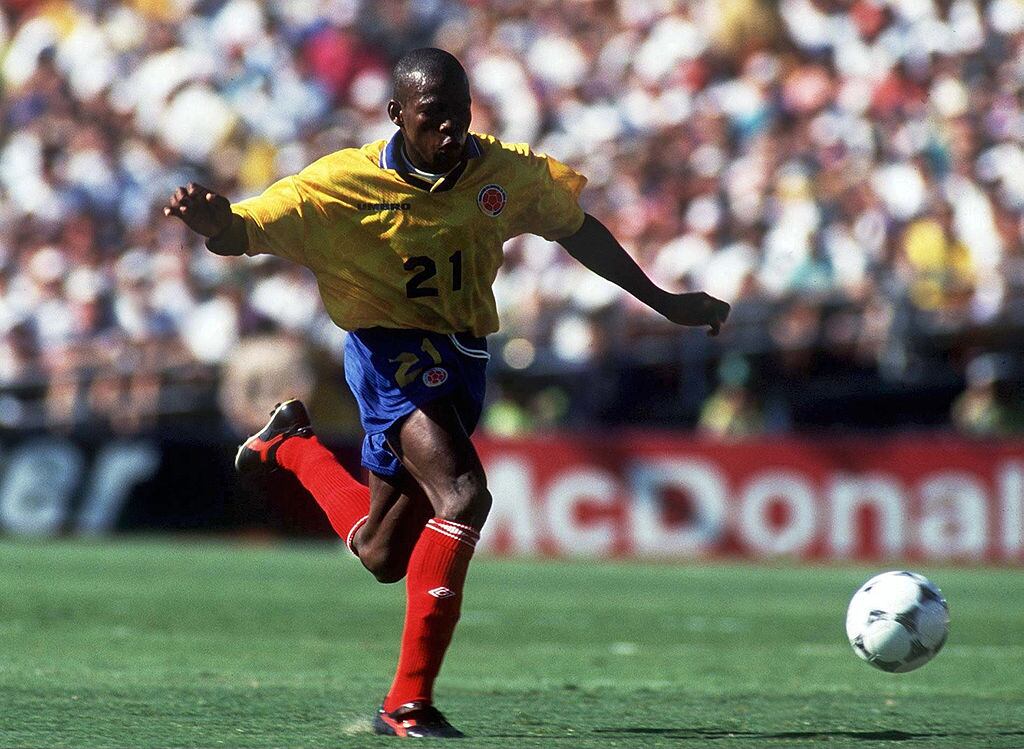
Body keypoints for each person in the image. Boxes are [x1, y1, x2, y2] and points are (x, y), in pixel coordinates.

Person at [164, 48, 730, 739]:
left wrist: (664, 301)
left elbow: (578, 230)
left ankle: (292, 446)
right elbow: (243, 231)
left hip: (460, 358)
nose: (452, 133)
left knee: (380, 553)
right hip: (388, 353)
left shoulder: (503, 171)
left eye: (461, 117)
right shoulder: (338, 186)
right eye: (434, 119)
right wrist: (215, 221)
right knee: (464, 494)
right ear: (396, 116)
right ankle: (407, 704)